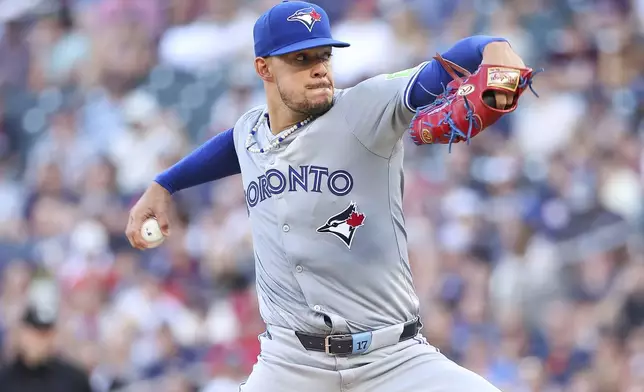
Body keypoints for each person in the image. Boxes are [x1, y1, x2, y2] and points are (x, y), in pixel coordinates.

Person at [126, 1, 529, 391]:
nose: (318, 70)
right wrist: (165, 184)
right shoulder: (250, 132)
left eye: (323, 57)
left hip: (393, 359)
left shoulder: (365, 108)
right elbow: (232, 146)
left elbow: (448, 67)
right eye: (300, 60)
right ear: (263, 68)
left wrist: (495, 48)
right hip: (290, 364)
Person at [0, 303, 93, 392]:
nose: (39, 341)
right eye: (34, 332)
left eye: (45, 334)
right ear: (21, 333)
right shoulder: (5, 379)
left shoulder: (74, 379)